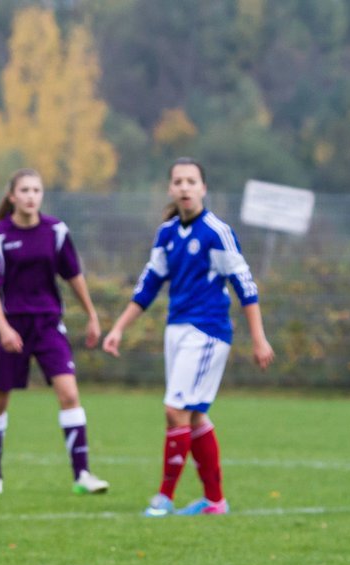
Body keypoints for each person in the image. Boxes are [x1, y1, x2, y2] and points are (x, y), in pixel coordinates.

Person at [103, 157, 274, 516]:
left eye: (191, 181)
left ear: (203, 188)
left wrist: (258, 338)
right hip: (177, 329)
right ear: (170, 188)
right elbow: (149, 284)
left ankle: (164, 497)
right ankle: (215, 501)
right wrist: (118, 328)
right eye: (178, 181)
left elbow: (244, 285)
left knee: (175, 409)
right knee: (193, 415)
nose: (184, 187)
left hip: (207, 330)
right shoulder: (167, 233)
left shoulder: (216, 231)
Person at [0, 168, 109, 496]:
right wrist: (3, 327)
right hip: (13, 327)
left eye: (36, 190)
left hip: (48, 325)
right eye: (25, 190)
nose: (31, 196)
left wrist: (91, 314)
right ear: (12, 196)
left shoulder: (56, 231)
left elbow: (73, 275)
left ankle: (82, 475)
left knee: (70, 395)